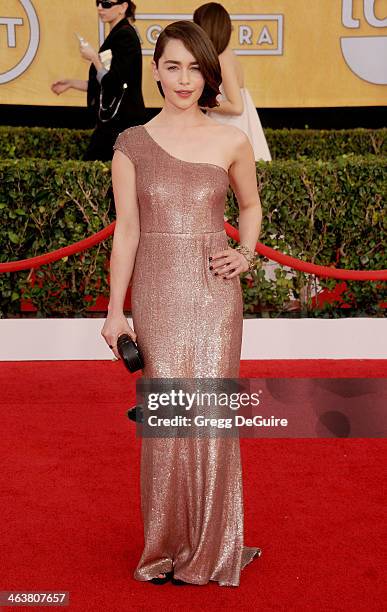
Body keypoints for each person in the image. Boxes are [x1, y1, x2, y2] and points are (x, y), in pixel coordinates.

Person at [101, 20, 263, 587]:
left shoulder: (230, 138)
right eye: (173, 66)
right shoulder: (132, 143)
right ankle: (166, 544)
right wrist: (115, 310)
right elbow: (127, 231)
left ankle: (214, 546)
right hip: (158, 292)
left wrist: (245, 252)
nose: (184, 79)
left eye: (196, 67)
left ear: (209, 74)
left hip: (216, 292)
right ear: (155, 70)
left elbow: (249, 207)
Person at [51, 0, 146, 160]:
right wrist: (71, 83)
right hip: (115, 122)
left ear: (123, 7)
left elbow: (112, 82)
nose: (100, 8)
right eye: (98, 2)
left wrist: (94, 57)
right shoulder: (118, 33)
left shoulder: (125, 36)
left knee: (95, 168)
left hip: (121, 122)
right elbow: (104, 82)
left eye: (107, 4)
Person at [193, 2, 271, 162]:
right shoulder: (225, 55)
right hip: (229, 126)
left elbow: (236, 106)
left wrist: (202, 103)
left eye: (197, 26)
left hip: (230, 127)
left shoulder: (222, 59)